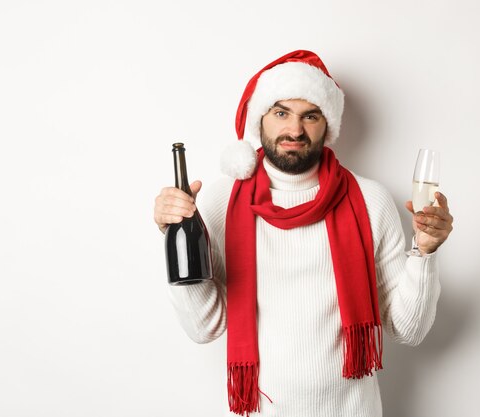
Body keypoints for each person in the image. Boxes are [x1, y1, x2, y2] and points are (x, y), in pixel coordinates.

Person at [153, 50, 453, 417]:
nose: (294, 130)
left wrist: (425, 253)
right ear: (259, 119)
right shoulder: (220, 201)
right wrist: (176, 237)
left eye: (309, 115)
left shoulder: (370, 200)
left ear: (327, 124)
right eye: (281, 113)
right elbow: (204, 328)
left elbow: (409, 331)